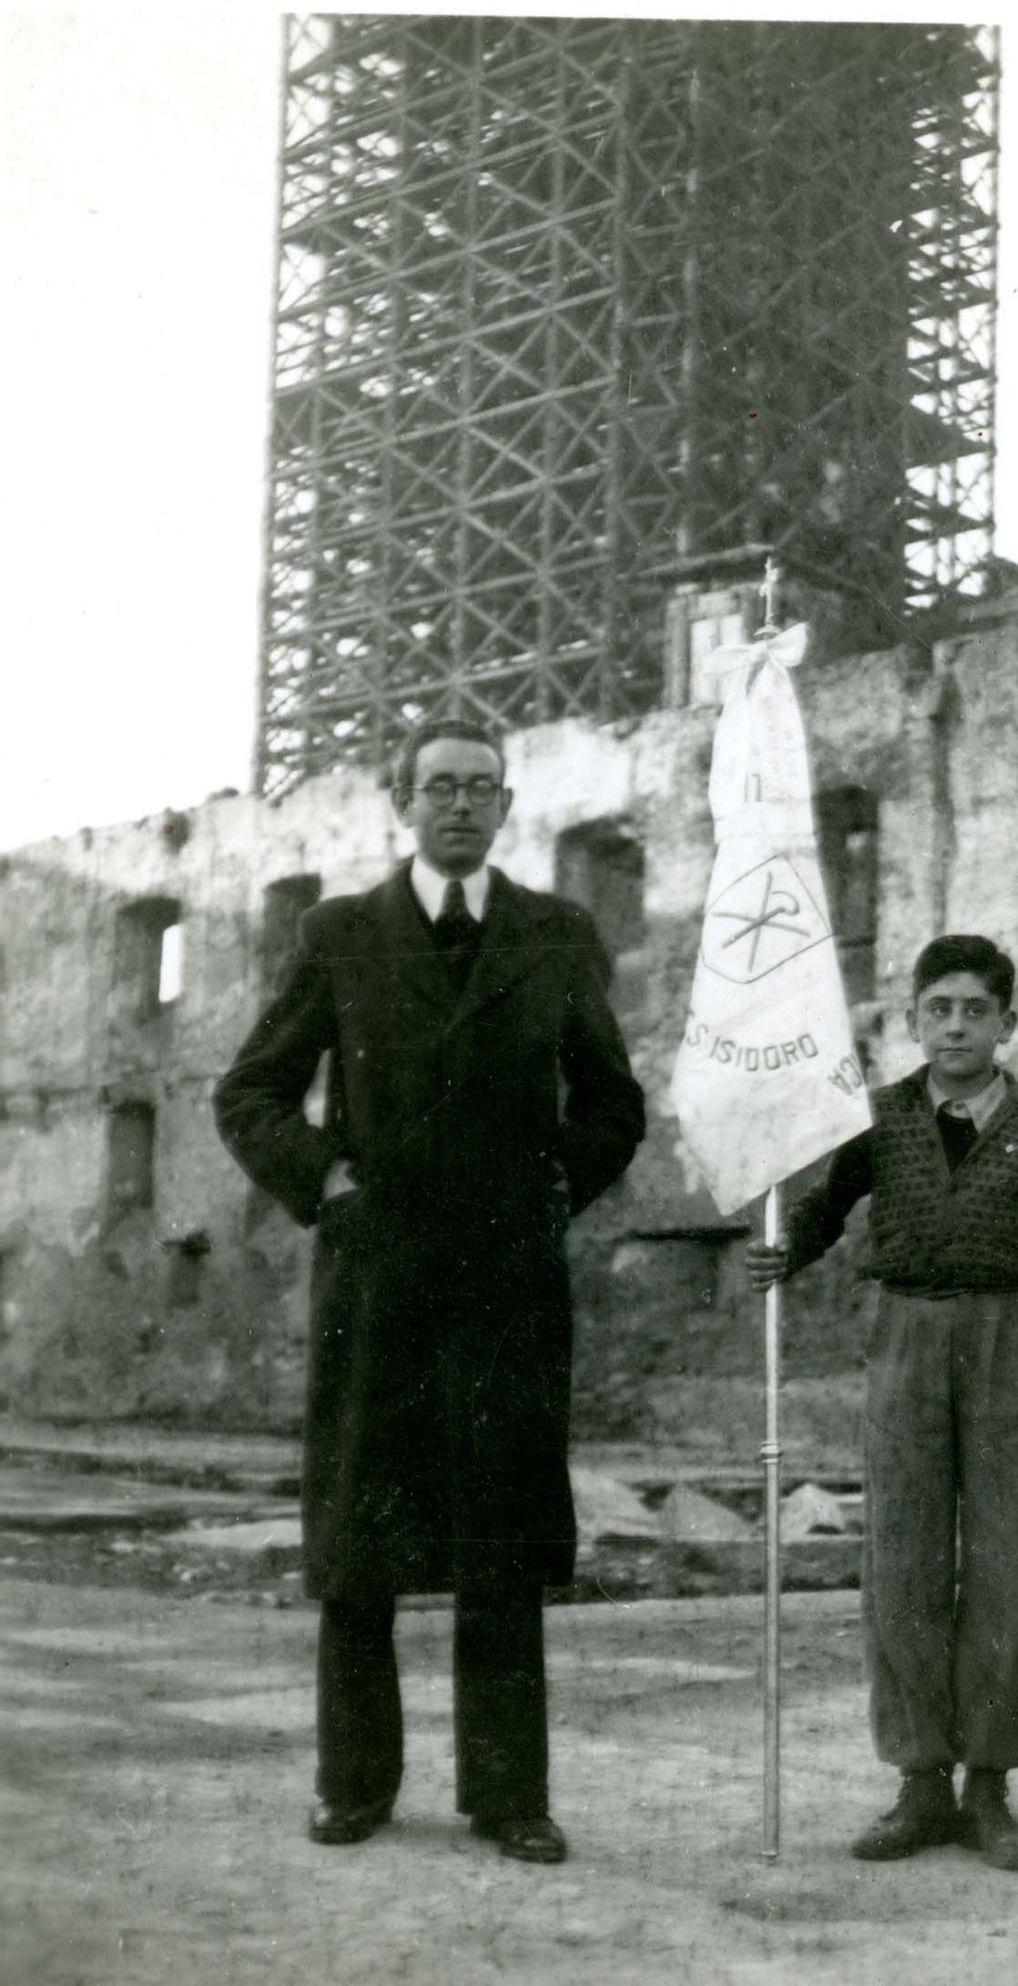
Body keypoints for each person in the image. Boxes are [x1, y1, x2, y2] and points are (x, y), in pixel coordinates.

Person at [214, 716, 645, 1865]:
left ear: (507, 808)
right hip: (380, 1279)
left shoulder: (554, 935)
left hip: (505, 1284)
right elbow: (250, 1090)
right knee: (362, 1539)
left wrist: (557, 1188)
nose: (460, 803)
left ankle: (510, 1796)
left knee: (498, 1537)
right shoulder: (344, 933)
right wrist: (326, 1180)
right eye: (439, 785)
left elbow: (613, 1101)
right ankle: (353, 1784)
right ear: (401, 801)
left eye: (481, 787)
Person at [747, 934, 1018, 1869]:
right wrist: (788, 1253)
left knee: (1002, 1559)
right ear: (913, 1021)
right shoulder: (884, 1116)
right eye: (937, 1010)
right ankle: (919, 1779)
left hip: (1004, 1343)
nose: (955, 1026)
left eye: (974, 1010)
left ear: (1007, 1022)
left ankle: (990, 1785)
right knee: (901, 1556)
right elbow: (829, 1205)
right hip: (904, 1339)